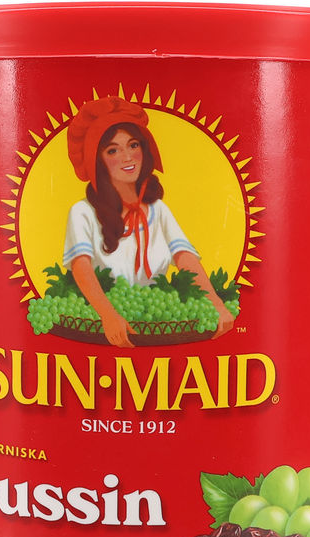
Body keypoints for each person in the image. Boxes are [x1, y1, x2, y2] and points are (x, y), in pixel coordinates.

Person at [64, 96, 233, 348]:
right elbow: (81, 267)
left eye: (133, 145)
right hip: (107, 329)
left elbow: (185, 258)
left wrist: (216, 303)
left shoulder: (158, 210)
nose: (127, 157)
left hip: (155, 320)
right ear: (96, 160)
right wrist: (108, 316)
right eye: (113, 150)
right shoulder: (83, 212)